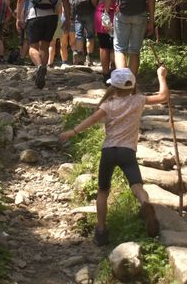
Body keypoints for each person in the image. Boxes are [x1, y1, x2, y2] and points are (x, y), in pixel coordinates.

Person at [59, 66, 170, 246]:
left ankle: (101, 230)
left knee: (103, 191)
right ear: (132, 86)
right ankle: (144, 203)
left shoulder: (108, 104)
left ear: (114, 87)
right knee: (136, 185)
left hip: (109, 151)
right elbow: (163, 97)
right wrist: (161, 76)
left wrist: (72, 132)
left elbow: (92, 119)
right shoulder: (138, 100)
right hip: (128, 152)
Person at [16, 0, 71, 88]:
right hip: (52, 16)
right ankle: (43, 73)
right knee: (45, 45)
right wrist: (68, 18)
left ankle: (40, 66)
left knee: (32, 46)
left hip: (34, 15)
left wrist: (19, 17)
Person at [69, 0, 96, 66]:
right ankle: (89, 57)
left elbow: (71, 0)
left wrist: (71, 15)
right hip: (90, 12)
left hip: (78, 13)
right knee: (90, 35)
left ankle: (80, 56)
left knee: (79, 35)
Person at [94, 0, 115, 80]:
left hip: (102, 13)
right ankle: (116, 70)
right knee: (116, 45)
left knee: (103, 45)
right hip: (117, 13)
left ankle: (105, 73)